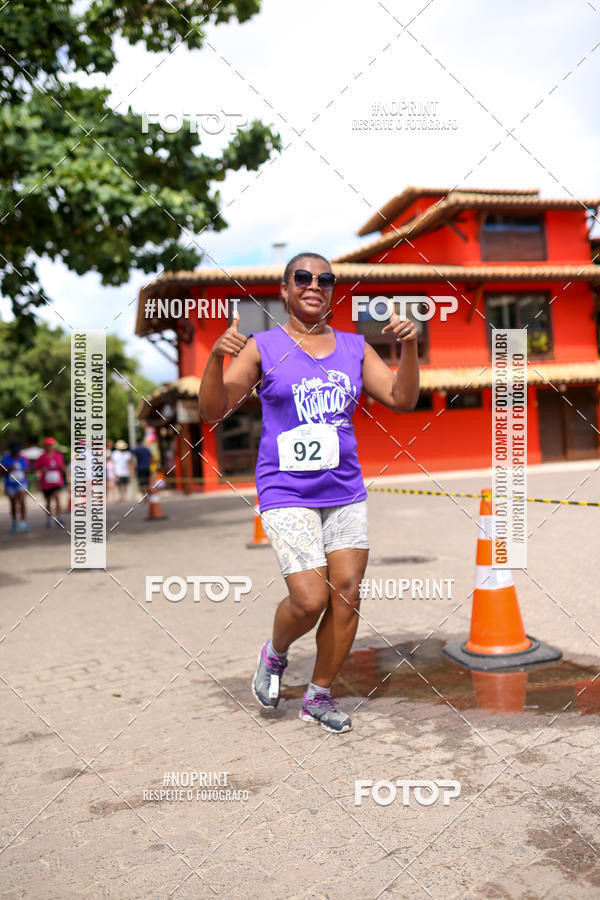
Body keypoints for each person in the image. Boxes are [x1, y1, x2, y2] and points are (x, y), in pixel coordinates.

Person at [199, 252, 419, 733]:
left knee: (347, 593)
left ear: (332, 290)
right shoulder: (261, 346)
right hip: (285, 489)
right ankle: (275, 654)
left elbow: (403, 399)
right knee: (308, 599)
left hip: (344, 489)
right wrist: (217, 358)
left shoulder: (356, 348)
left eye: (324, 279)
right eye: (303, 277)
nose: (313, 285)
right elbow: (213, 410)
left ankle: (319, 695)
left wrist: (410, 351)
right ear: (284, 289)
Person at [35, 437, 66, 528]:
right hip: (46, 483)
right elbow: (36, 468)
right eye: (48, 445)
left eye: (51, 445)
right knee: (48, 500)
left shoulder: (58, 455)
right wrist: (42, 469)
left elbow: (62, 466)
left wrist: (64, 471)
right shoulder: (42, 457)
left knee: (57, 497)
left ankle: (59, 517)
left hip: (57, 481)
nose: (50, 447)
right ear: (45, 446)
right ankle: (49, 518)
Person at [2, 442, 30, 533]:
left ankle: (23, 522)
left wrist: (24, 473)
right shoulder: (5, 458)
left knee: (22, 501)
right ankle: (14, 522)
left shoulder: (23, 458)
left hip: (21, 483)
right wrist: (9, 469)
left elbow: (28, 470)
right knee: (13, 503)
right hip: (10, 484)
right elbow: (1, 472)